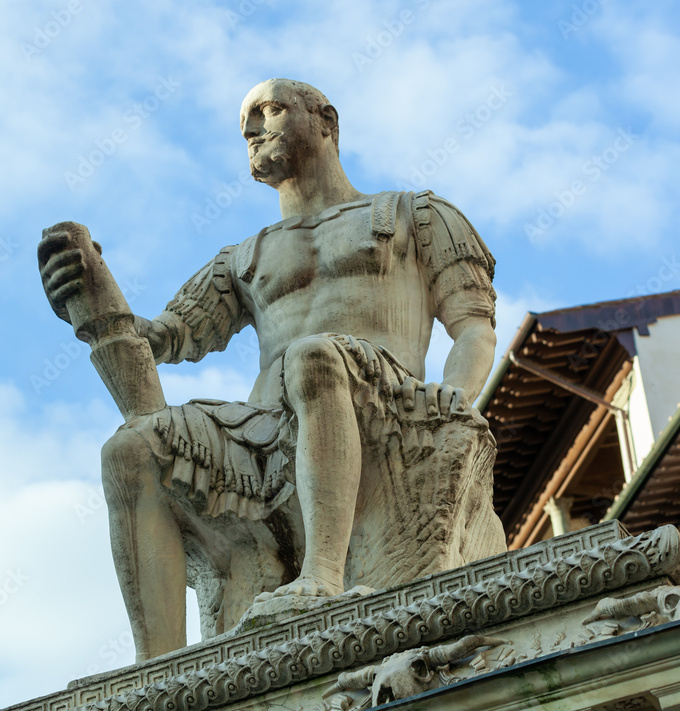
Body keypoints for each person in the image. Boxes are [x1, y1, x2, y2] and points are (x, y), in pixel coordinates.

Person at [39, 78, 500, 661]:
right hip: (269, 433)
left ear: (326, 121)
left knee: (310, 356)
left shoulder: (416, 215)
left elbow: (474, 326)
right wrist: (91, 296)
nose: (253, 130)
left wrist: (454, 395)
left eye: (270, 110)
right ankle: (157, 669)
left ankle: (322, 577)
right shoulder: (244, 257)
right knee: (129, 449)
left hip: (387, 406)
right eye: (245, 125)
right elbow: (160, 338)